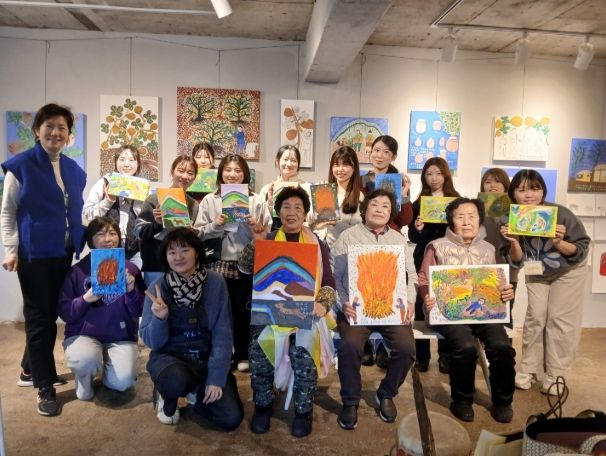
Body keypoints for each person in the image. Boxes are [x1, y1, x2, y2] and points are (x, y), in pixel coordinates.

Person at [1, 103, 86, 416]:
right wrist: (10, 249)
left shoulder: (73, 170)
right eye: (49, 126)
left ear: (68, 134)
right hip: (33, 253)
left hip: (63, 252)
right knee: (39, 317)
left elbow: (74, 210)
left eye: (62, 127)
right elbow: (8, 212)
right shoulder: (20, 166)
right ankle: (44, 385)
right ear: (37, 130)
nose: (55, 132)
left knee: (50, 314)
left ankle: (29, 369)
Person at [241, 186, 336, 438]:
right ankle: (263, 404)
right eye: (286, 207)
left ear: (305, 214)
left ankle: (303, 410)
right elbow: (244, 270)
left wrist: (323, 304)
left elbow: (328, 281)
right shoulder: (269, 238)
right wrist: (257, 242)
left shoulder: (317, 244)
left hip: (307, 314)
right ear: (278, 212)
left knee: (303, 352)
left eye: (298, 208)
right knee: (258, 351)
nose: (292, 212)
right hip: (270, 315)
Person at [418, 197, 516, 423]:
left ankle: (503, 401)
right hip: (448, 312)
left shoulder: (488, 248)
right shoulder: (437, 246)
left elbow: (496, 281)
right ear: (451, 221)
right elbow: (423, 278)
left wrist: (505, 291)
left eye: (472, 216)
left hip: (484, 311)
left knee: (501, 346)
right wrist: (427, 296)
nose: (466, 221)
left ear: (479, 219)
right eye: (460, 217)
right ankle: (461, 401)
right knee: (465, 347)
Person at [140, 228, 243, 429]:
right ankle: (166, 395)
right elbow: (152, 342)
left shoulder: (215, 282)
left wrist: (215, 379)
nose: (178, 257)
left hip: (205, 360)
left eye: (185, 250)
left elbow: (223, 333)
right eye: (172, 252)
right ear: (166, 257)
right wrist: (160, 318)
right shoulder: (158, 288)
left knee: (230, 419)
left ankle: (196, 391)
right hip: (170, 360)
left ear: (197, 252)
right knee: (174, 379)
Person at [331, 189, 417, 430]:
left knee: (407, 348)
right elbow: (334, 277)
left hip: (392, 309)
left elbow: (411, 276)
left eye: (385, 206)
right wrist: (343, 303)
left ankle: (386, 393)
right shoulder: (347, 237)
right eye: (374, 204)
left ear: (391, 213)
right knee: (349, 346)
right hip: (355, 309)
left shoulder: (398, 240)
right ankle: (350, 400)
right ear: (365, 209)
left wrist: (410, 301)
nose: (379, 209)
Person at [501, 170, 590, 394]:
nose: (529, 194)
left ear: (543, 191)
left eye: (535, 188)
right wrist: (514, 240)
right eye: (522, 190)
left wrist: (558, 242)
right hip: (536, 269)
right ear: (513, 194)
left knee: (559, 319)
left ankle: (556, 374)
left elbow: (580, 249)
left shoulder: (560, 214)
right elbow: (517, 259)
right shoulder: (511, 218)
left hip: (568, 269)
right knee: (535, 316)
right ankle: (528, 369)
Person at [193, 154, 271, 372]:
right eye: (228, 170)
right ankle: (223, 353)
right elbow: (197, 234)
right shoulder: (210, 200)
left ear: (245, 174)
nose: (232, 174)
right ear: (221, 173)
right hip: (218, 263)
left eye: (237, 170)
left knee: (243, 310)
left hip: (246, 264)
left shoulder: (256, 200)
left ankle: (242, 353)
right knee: (220, 311)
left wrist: (254, 227)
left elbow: (267, 233)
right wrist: (215, 225)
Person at [58, 217, 145, 401]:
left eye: (112, 233)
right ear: (91, 240)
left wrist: (131, 291)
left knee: (123, 382)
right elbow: (65, 312)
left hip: (120, 337)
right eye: (100, 234)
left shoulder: (130, 269)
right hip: (83, 335)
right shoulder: (77, 271)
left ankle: (108, 371)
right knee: (85, 362)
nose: (108, 239)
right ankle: (85, 377)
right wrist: (85, 299)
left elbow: (139, 310)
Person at [408, 157, 461, 373]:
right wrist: (418, 228)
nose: (434, 178)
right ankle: (422, 356)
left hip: (449, 257)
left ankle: (445, 356)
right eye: (429, 174)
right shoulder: (419, 203)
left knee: (448, 303)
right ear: (424, 177)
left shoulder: (457, 201)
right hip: (423, 257)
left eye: (438, 173)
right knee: (423, 302)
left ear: (446, 175)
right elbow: (412, 236)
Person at [134, 155, 199, 288]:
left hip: (183, 266)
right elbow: (139, 232)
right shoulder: (154, 199)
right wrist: (157, 224)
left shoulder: (193, 205)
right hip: (156, 266)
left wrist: (190, 231)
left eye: (190, 173)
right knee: (155, 300)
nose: (185, 176)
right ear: (172, 171)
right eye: (181, 170)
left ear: (194, 177)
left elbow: (193, 239)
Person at [83, 145, 144, 267]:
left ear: (138, 164)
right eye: (122, 159)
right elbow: (87, 214)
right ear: (116, 162)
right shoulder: (104, 182)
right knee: (109, 277)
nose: (126, 164)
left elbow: (145, 222)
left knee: (134, 277)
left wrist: (140, 206)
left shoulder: (142, 187)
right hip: (107, 244)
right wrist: (108, 200)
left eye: (131, 160)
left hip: (135, 248)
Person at [480, 168, 517, 328]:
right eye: (488, 182)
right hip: (482, 268)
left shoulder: (515, 209)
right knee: (481, 312)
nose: (492, 185)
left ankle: (505, 344)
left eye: (497, 181)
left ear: (505, 185)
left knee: (504, 313)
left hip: (507, 268)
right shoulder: (476, 207)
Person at [313, 146, 363, 249]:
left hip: (342, 249)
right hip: (318, 245)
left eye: (345, 165)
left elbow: (359, 230)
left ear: (354, 168)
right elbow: (310, 222)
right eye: (336, 165)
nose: (340, 169)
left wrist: (336, 224)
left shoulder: (359, 196)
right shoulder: (323, 190)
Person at [360, 135, 413, 232]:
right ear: (370, 153)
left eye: (386, 152)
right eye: (376, 150)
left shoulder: (398, 182)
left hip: (390, 235)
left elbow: (405, 220)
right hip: (364, 234)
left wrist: (403, 196)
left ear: (393, 157)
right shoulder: (360, 181)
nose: (379, 155)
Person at [258, 145, 311, 228]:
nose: (289, 164)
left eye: (293, 160)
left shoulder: (307, 187)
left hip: (300, 232)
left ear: (298, 164)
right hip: (274, 234)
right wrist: (270, 203)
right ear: (277, 162)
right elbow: (260, 220)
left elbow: (313, 219)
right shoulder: (267, 189)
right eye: (285, 159)